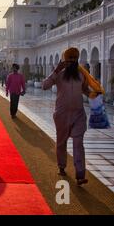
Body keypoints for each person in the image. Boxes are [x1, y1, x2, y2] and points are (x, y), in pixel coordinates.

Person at [42, 47, 89, 186]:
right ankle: (61, 165)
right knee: (61, 142)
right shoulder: (59, 75)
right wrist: (56, 70)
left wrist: (94, 94)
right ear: (64, 61)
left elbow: (85, 89)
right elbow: (45, 86)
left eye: (74, 59)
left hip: (79, 114)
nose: (72, 62)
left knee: (78, 143)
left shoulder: (81, 75)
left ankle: (80, 174)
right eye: (69, 60)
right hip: (62, 114)